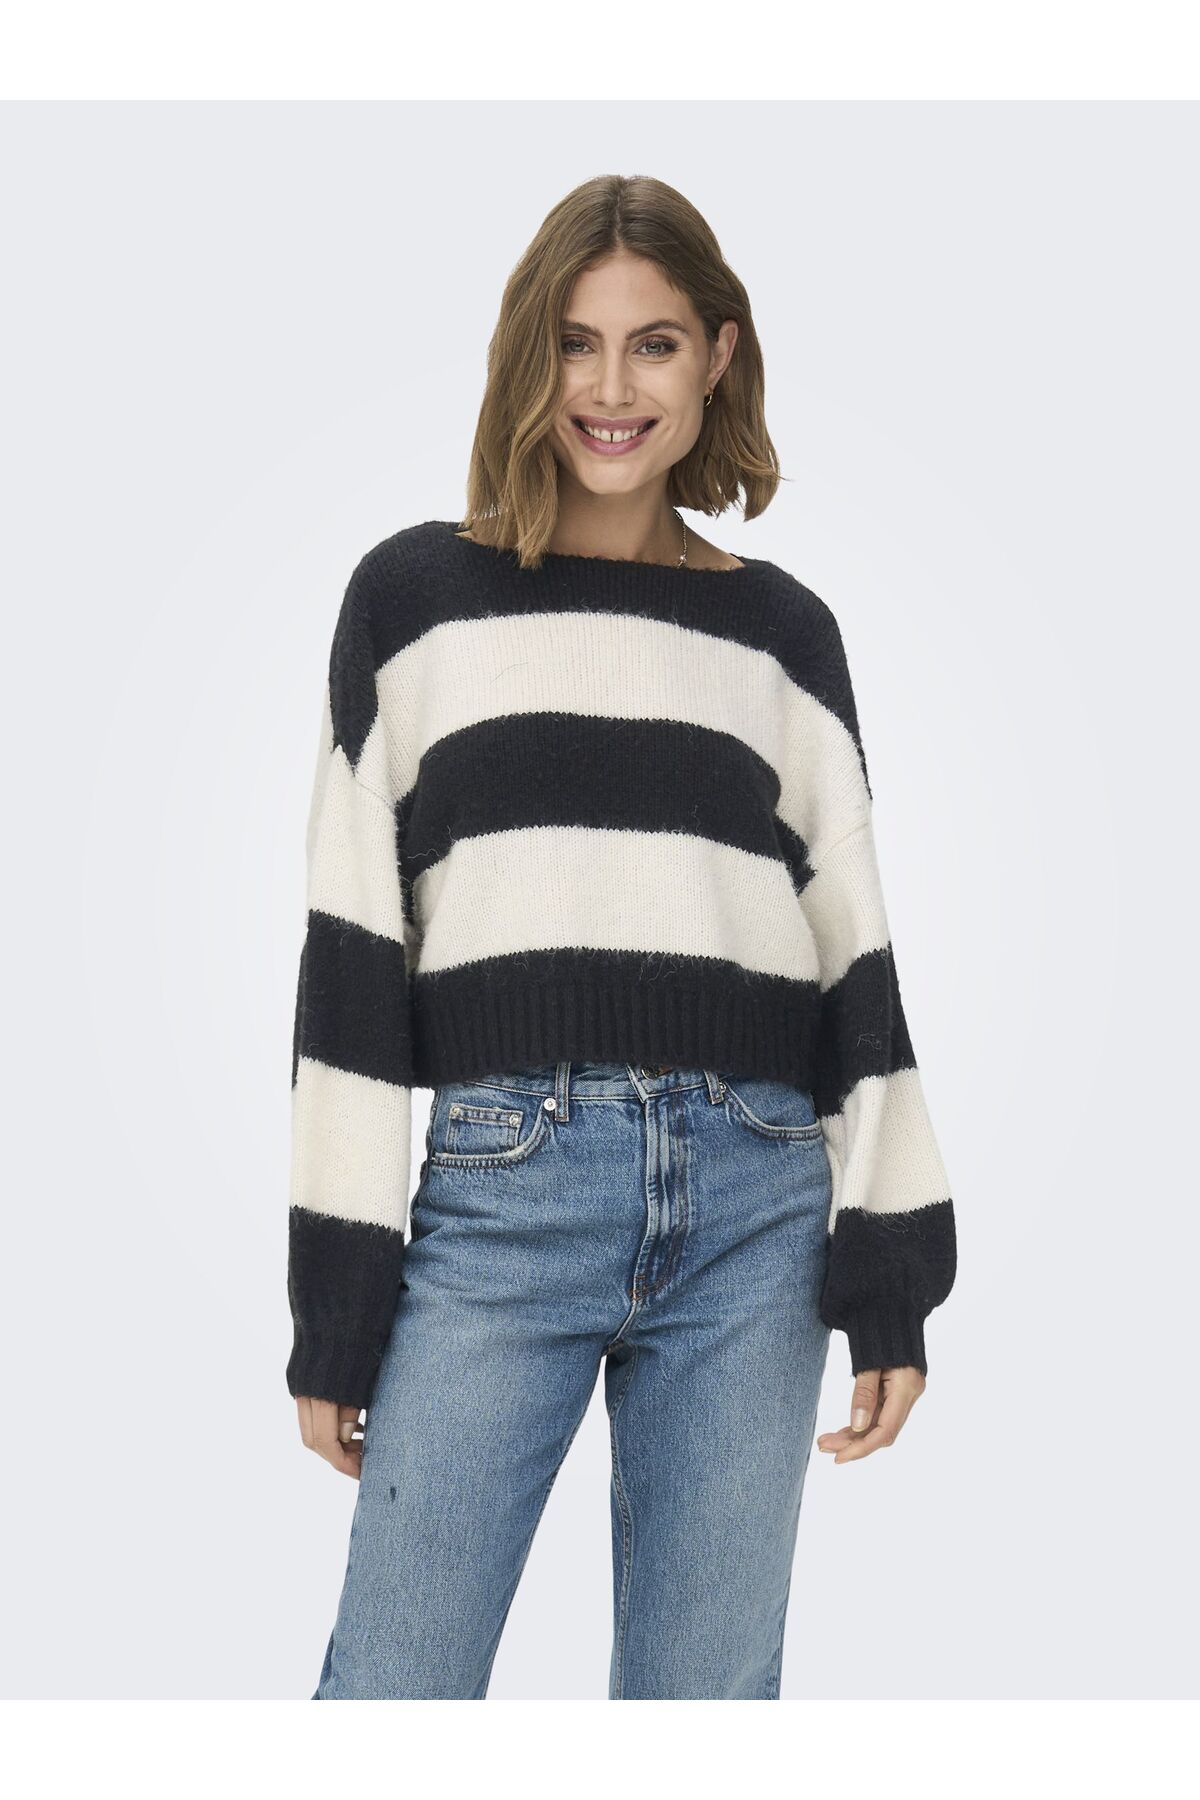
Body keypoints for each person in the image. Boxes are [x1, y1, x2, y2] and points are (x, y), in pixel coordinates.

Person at [286, 173, 957, 1700]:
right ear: (528, 357)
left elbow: (857, 962)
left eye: (653, 344)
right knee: (392, 1690)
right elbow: (350, 956)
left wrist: (890, 1265)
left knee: (705, 1711)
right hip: (505, 1194)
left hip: (759, 1208)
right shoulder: (414, 603)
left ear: (718, 355)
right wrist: (339, 1301)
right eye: (575, 344)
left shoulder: (784, 635)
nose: (609, 389)